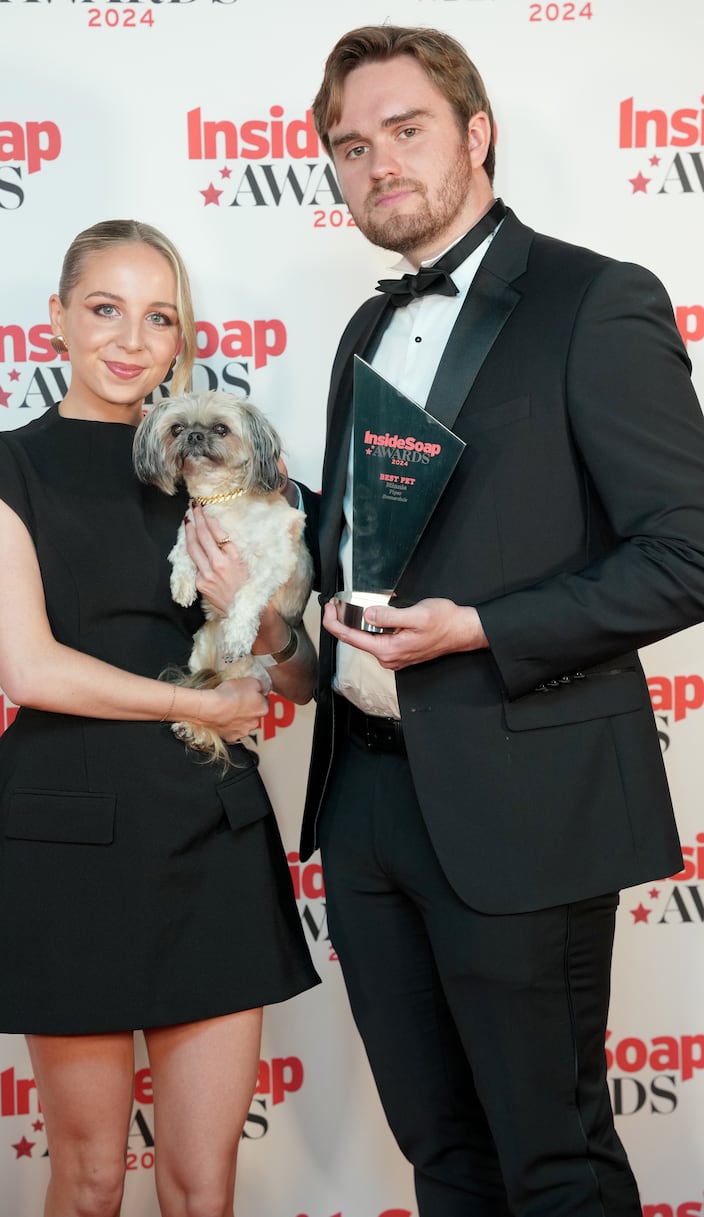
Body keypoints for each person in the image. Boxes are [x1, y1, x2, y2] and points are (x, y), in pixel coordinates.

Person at [297, 24, 704, 1217]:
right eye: (349, 146)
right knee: (442, 1153)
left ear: (476, 134)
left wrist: (480, 627)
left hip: (525, 796)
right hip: (365, 800)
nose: (376, 163)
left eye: (405, 129)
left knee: (551, 1160)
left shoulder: (594, 299)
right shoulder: (364, 331)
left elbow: (685, 554)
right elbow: (376, 538)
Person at [0, 218, 319, 1217]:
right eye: (104, 309)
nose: (131, 339)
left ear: (182, 335)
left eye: (159, 316)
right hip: (68, 831)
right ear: (56, 319)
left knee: (200, 1182)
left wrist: (258, 620)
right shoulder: (2, 460)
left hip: (209, 831)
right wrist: (198, 701)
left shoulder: (224, 460)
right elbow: (31, 668)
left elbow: (301, 679)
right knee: (90, 1179)